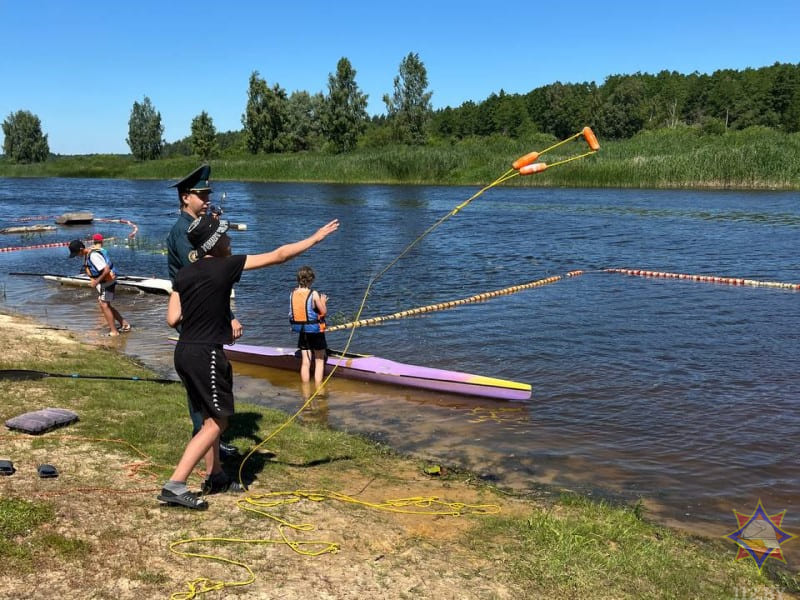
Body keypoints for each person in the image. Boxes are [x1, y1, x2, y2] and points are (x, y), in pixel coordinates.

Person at [158, 213, 339, 509]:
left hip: (184, 351)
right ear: (215, 244)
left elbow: (172, 319)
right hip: (207, 354)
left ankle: (215, 474)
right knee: (219, 421)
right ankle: (176, 484)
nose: (230, 241)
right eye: (226, 237)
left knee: (207, 417)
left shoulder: (184, 274)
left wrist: (206, 313)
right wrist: (315, 238)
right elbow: (279, 256)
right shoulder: (226, 265)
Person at [166, 164, 241, 459]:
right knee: (203, 384)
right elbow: (203, 277)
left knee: (205, 382)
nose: (207, 198)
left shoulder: (193, 226)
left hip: (193, 313)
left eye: (208, 192)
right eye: (202, 194)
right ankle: (208, 440)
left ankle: (211, 441)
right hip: (196, 316)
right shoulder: (184, 231)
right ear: (186, 197)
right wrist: (229, 316)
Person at [68, 236, 131, 337]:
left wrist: (96, 281)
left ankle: (114, 332)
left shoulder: (93, 256)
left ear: (81, 249)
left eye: (76, 253)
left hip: (108, 282)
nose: (76, 256)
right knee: (106, 305)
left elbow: (106, 269)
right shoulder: (87, 254)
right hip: (104, 283)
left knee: (104, 305)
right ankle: (124, 324)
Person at [289, 266, 329, 386]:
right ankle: (318, 388)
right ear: (311, 280)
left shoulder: (293, 293)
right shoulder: (314, 294)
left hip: (302, 330)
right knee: (319, 360)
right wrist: (323, 301)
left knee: (306, 361)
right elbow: (323, 312)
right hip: (315, 330)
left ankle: (305, 390)